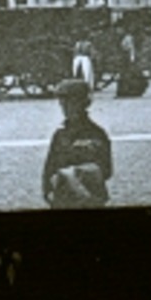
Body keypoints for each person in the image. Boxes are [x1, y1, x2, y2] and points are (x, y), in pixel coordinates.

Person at [42, 78, 113, 208]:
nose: (64, 108)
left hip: (90, 200)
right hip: (63, 199)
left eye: (69, 103)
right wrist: (49, 191)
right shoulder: (60, 134)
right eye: (62, 104)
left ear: (81, 103)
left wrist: (77, 173)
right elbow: (49, 168)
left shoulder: (96, 134)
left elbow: (106, 169)